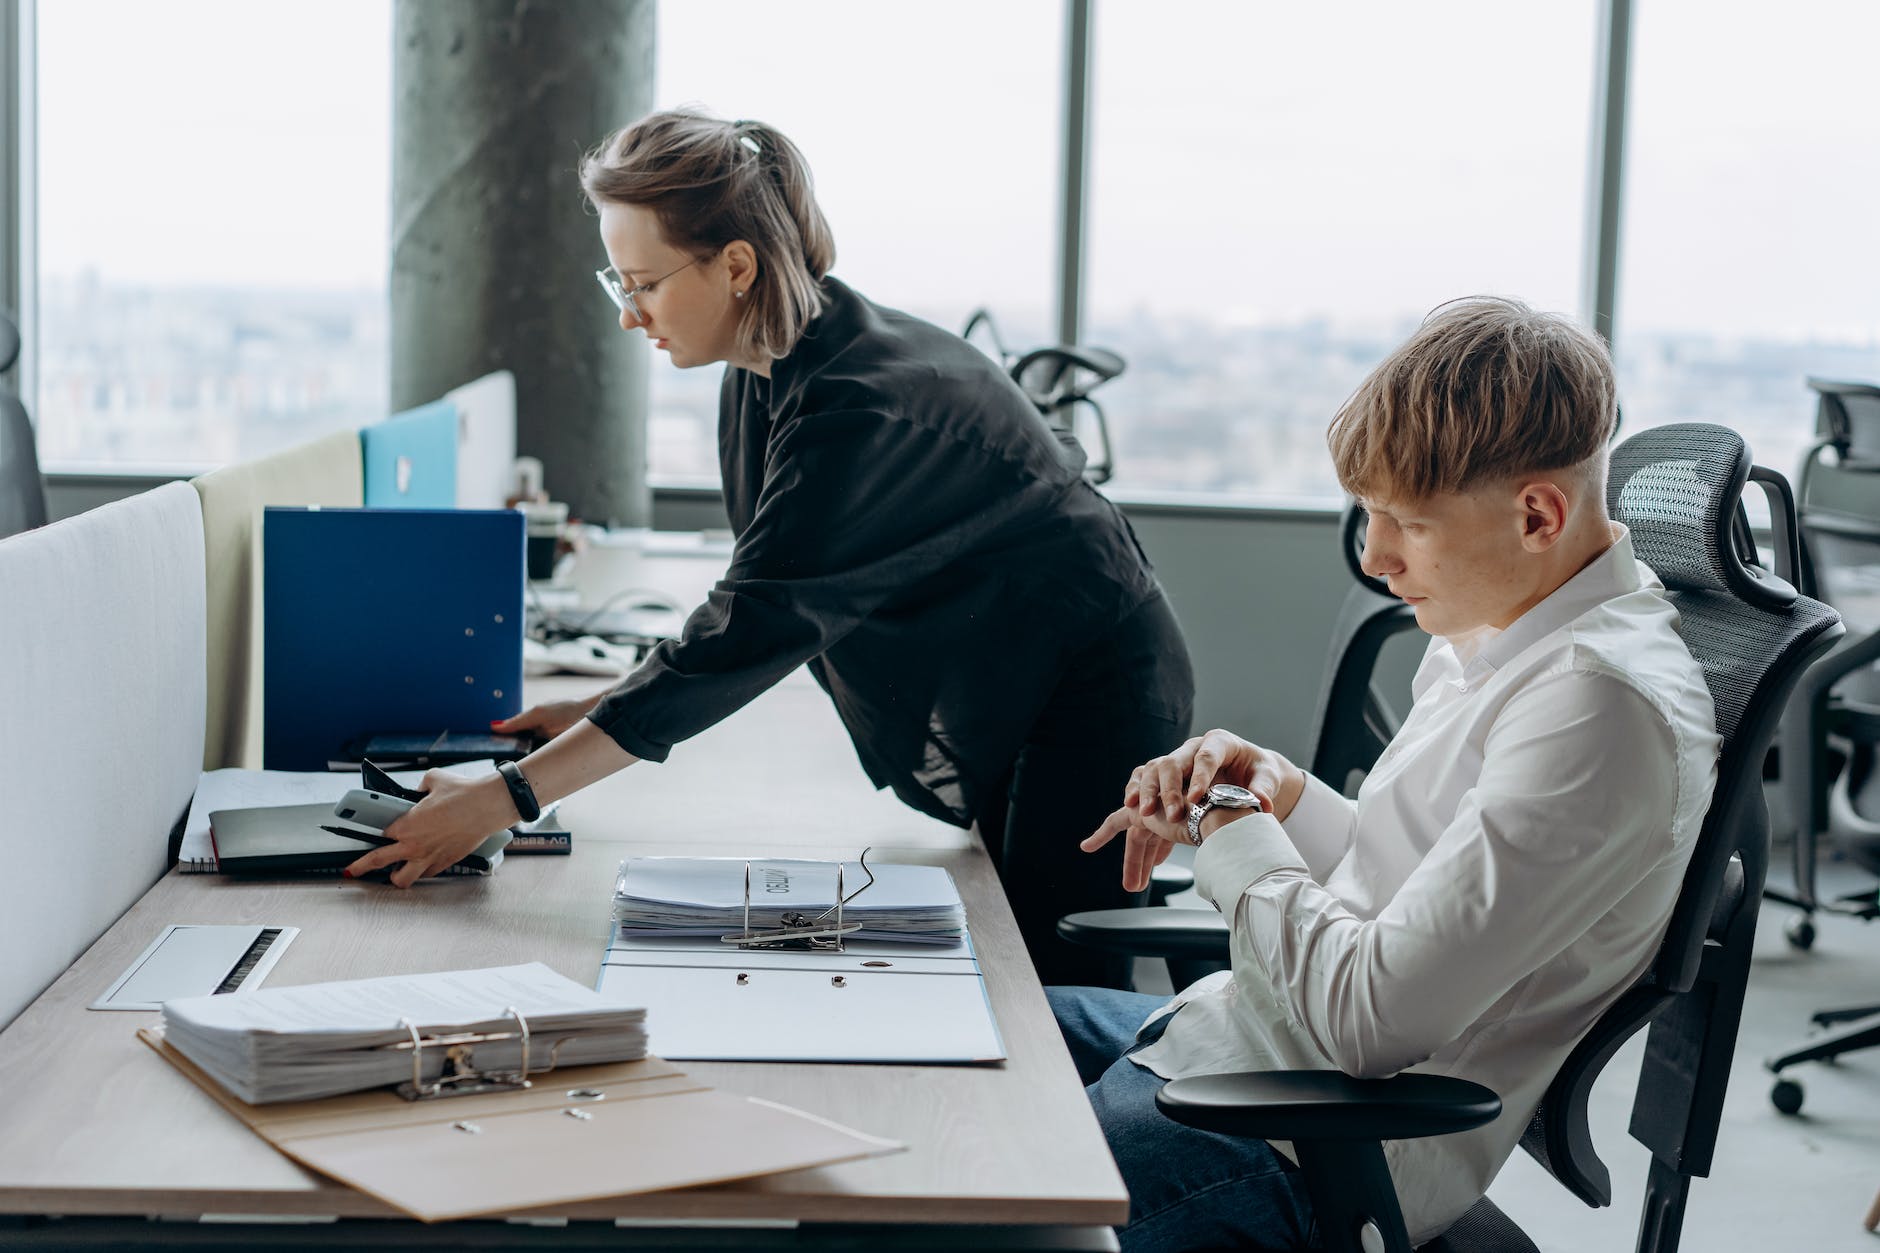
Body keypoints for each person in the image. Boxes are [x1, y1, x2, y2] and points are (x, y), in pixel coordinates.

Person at [343, 110, 1193, 987]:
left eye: (643, 284)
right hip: (1015, 669)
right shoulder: (772, 361)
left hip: (1090, 690)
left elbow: (755, 622)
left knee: (1051, 987)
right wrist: (607, 708)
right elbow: (769, 591)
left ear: (736, 265)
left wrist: (510, 794)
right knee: (1016, 968)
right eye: (617, 284)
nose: (630, 316)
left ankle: (1117, 1128)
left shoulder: (859, 409)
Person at [1050, 297, 1722, 1251]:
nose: (1375, 555)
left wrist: (1237, 827)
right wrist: (1279, 789)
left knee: (941, 1182)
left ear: (1538, 513)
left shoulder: (1595, 708)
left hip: (1306, 1145)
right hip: (1235, 1041)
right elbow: (1389, 866)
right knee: (959, 1031)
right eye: (1369, 514)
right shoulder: (1512, 627)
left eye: (1407, 521)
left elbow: (1370, 1020)